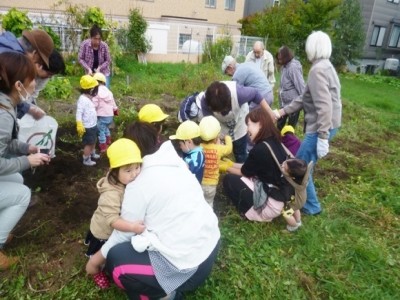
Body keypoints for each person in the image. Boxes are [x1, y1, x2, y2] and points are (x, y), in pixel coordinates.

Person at [86, 121, 220, 299]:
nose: (133, 172)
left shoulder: (138, 183)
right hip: (209, 247)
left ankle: (167, 295)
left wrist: (95, 261)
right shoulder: (177, 162)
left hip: (188, 269)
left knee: (117, 262)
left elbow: (123, 234)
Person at [275, 31, 342, 215]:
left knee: (301, 167)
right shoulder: (326, 66)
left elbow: (324, 105)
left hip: (322, 126)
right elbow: (304, 98)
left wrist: (322, 136)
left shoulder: (317, 71)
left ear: (311, 48)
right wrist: (281, 111)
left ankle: (311, 206)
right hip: (328, 123)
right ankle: (309, 203)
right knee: (305, 165)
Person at [0, 52, 51, 270]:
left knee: (17, 179)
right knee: (23, 194)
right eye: (32, 79)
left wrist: (25, 148)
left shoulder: (5, 104)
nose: (34, 84)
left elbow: (5, 143)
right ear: (18, 84)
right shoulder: (3, 113)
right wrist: (28, 161)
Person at [221, 108, 298, 229]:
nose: (247, 130)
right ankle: (293, 218)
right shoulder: (273, 140)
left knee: (229, 180)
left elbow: (244, 172)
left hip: (272, 200)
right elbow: (249, 166)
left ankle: (249, 213)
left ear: (260, 124)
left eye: (249, 125)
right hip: (285, 191)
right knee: (237, 175)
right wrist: (231, 164)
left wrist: (226, 168)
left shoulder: (259, 149)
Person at [84, 138, 145, 288]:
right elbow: (112, 220)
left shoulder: (125, 182)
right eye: (128, 170)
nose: (135, 174)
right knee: (100, 257)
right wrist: (131, 227)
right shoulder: (110, 194)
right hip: (103, 233)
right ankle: (94, 271)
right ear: (115, 171)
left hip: (113, 229)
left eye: (137, 167)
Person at [202, 80, 276, 163]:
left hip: (239, 121)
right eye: (217, 111)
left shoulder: (240, 93)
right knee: (219, 151)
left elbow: (256, 94)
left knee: (240, 152)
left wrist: (270, 112)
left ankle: (244, 168)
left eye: (221, 110)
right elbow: (209, 123)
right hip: (221, 125)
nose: (219, 113)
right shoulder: (206, 101)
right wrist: (217, 138)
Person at [0, 29, 55, 120]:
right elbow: (7, 95)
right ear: (35, 53)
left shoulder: (5, 44)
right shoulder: (14, 61)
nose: (35, 64)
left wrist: (29, 108)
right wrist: (29, 109)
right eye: (38, 61)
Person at [199, 116, 233, 208]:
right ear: (216, 136)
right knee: (209, 203)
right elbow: (229, 149)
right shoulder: (219, 149)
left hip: (199, 182)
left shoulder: (198, 147)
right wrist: (227, 138)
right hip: (211, 185)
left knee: (200, 202)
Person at [276, 46, 305, 130]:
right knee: (279, 125)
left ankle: (288, 142)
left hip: (293, 103)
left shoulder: (293, 67)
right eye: (278, 59)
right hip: (284, 103)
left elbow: (301, 87)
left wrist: (302, 102)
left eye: (281, 59)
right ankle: (278, 141)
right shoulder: (284, 67)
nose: (279, 61)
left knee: (289, 128)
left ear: (286, 57)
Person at [76, 75, 100, 166]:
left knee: (94, 140)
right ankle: (86, 159)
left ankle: (92, 153)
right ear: (90, 89)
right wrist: (79, 123)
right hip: (87, 127)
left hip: (93, 124)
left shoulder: (88, 98)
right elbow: (79, 113)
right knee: (88, 144)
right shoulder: (82, 100)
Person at [92, 72, 118, 152]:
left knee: (100, 130)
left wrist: (91, 109)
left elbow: (94, 104)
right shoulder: (109, 92)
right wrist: (115, 109)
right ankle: (108, 140)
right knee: (106, 127)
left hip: (102, 115)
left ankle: (103, 146)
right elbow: (113, 102)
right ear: (104, 82)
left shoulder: (96, 92)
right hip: (109, 116)